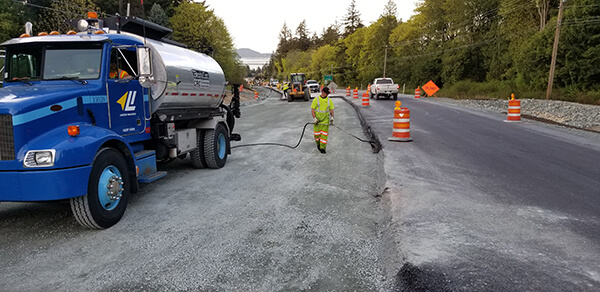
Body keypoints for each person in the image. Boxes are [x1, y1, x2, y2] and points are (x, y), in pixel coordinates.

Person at [311, 87, 334, 154]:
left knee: (324, 136)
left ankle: (323, 148)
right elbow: (312, 110)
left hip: (325, 121)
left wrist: (332, 117)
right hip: (317, 121)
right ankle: (318, 144)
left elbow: (331, 110)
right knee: (316, 135)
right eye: (327, 93)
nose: (327, 94)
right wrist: (314, 118)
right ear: (323, 92)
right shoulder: (316, 99)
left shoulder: (329, 101)